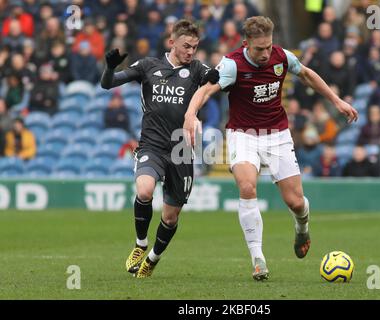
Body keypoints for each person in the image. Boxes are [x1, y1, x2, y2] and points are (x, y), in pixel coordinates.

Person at [183, 16, 358, 281]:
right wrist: (190, 114)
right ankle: (258, 259)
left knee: (296, 202)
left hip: (277, 134)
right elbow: (206, 90)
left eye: (268, 47)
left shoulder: (282, 57)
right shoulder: (232, 64)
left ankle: (302, 228)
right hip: (243, 134)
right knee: (247, 186)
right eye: (259, 49)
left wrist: (337, 101)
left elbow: (307, 75)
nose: (265, 54)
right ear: (246, 44)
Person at [100, 19, 219, 279]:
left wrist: (215, 79)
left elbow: (219, 80)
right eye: (186, 46)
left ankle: (152, 258)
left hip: (181, 150)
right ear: (171, 42)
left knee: (171, 218)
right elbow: (108, 84)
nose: (190, 52)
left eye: (195, 47)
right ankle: (140, 244)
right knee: (144, 190)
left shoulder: (197, 69)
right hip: (151, 145)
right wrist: (109, 68)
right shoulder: (147, 66)